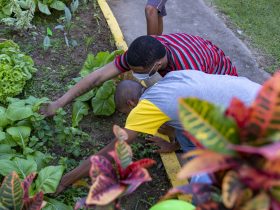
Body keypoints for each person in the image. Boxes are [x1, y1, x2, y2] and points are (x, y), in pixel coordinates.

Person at [56, 70, 260, 193]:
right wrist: (173, 145)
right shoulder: (169, 81)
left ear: (131, 103)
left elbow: (111, 152)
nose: (128, 119)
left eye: (125, 113)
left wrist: (65, 181)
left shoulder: (146, 108)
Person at [41, 33, 238, 116]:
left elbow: (193, 113)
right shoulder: (144, 51)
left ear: (158, 64)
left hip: (222, 80)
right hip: (200, 54)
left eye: (140, 72)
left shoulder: (188, 73)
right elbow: (98, 76)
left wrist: (173, 144)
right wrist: (58, 103)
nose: (134, 74)